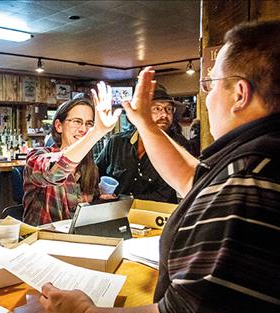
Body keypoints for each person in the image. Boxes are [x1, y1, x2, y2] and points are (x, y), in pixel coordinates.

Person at [39, 20, 280, 313]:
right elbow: (194, 178)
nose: (206, 98)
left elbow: (184, 310)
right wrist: (145, 123)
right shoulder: (257, 156)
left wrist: (84, 311)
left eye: (211, 84)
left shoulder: (246, 182)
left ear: (239, 95)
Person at [23, 83, 123, 226]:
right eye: (77, 121)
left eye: (89, 123)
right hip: (43, 242)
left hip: (79, 241)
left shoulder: (89, 167)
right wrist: (96, 132)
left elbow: (82, 213)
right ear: (59, 126)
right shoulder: (36, 156)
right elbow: (54, 173)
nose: (83, 129)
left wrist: (100, 201)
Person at [95, 85, 193, 203]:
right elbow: (96, 173)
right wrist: (99, 191)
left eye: (169, 109)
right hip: (118, 215)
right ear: (141, 112)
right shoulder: (117, 142)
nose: (165, 115)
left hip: (158, 217)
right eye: (157, 109)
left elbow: (168, 193)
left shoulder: (179, 146)